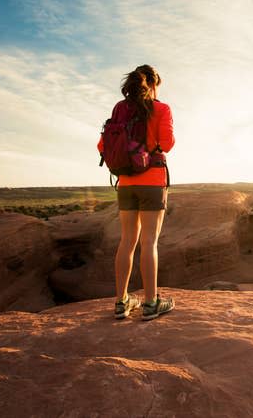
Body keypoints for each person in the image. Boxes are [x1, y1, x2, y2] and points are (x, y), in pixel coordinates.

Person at [97, 64, 175, 321]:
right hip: (152, 181)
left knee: (127, 242)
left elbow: (102, 144)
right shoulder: (161, 108)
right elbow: (167, 143)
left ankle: (122, 302)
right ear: (153, 85)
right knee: (149, 242)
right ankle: (151, 303)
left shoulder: (120, 108)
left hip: (126, 182)